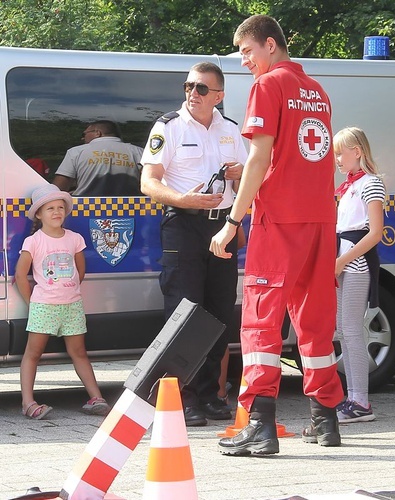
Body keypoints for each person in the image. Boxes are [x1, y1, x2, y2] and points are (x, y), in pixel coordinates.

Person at [209, 15, 345, 455]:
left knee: (260, 322)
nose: (244, 60)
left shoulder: (268, 86)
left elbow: (259, 157)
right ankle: (326, 420)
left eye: (247, 51)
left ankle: (261, 427)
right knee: (315, 322)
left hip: (280, 219)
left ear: (270, 45)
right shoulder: (317, 91)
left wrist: (233, 220)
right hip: (321, 219)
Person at [140, 61, 247, 427]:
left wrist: (242, 173)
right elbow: (148, 182)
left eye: (202, 88)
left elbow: (253, 179)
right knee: (182, 311)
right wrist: (184, 199)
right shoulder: (168, 126)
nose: (193, 93)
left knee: (217, 312)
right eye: (188, 86)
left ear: (219, 95)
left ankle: (208, 394)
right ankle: (180, 398)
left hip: (223, 228)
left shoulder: (232, 130)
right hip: (183, 226)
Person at [15, 184, 111, 420]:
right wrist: (33, 303)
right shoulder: (34, 241)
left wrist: (69, 290)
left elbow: (80, 269)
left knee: (79, 352)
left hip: (72, 305)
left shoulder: (74, 239)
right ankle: (28, 402)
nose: (57, 212)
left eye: (60, 208)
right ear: (39, 214)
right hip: (44, 306)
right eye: (50, 208)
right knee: (33, 353)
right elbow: (20, 275)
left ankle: (95, 397)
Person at [333, 127, 385, 423]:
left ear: (358, 152)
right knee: (344, 330)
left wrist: (342, 260)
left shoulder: (371, 184)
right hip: (343, 259)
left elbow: (374, 232)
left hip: (355, 263)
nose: (337, 159)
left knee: (351, 330)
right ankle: (353, 397)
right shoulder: (348, 187)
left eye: (341, 152)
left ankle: (360, 401)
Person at [54, 120, 144, 196]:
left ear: (97, 133)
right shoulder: (139, 152)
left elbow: (59, 188)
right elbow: (149, 183)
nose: (82, 138)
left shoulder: (76, 152)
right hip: (130, 208)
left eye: (84, 134)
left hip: (84, 208)